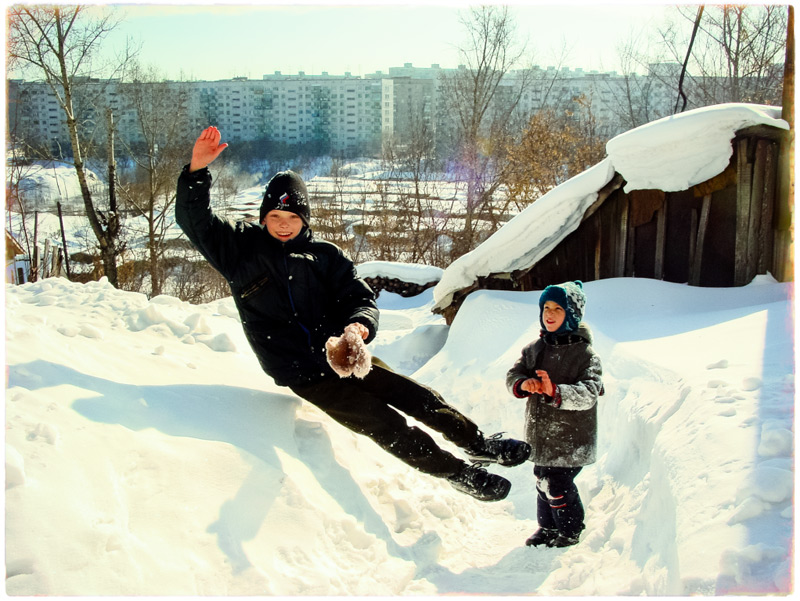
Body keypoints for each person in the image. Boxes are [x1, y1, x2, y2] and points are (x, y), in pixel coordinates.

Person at [176, 126, 531, 502]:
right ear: (264, 217)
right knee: (385, 423)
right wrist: (197, 172)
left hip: (345, 356)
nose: (283, 224)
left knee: (416, 396)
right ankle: (459, 474)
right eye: (276, 215)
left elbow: (358, 298)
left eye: (292, 217)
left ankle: (478, 443)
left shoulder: (327, 257)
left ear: (305, 220)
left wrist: (359, 326)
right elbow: (194, 221)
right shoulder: (239, 250)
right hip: (303, 373)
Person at [506, 281, 603, 547]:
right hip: (540, 434)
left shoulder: (586, 355)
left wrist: (555, 391)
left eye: (558, 309)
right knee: (542, 482)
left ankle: (570, 530)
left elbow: (589, 392)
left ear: (571, 314)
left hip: (572, 437)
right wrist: (523, 383)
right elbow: (513, 374)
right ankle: (547, 528)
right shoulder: (534, 349)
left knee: (557, 485)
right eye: (546, 307)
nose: (549, 313)